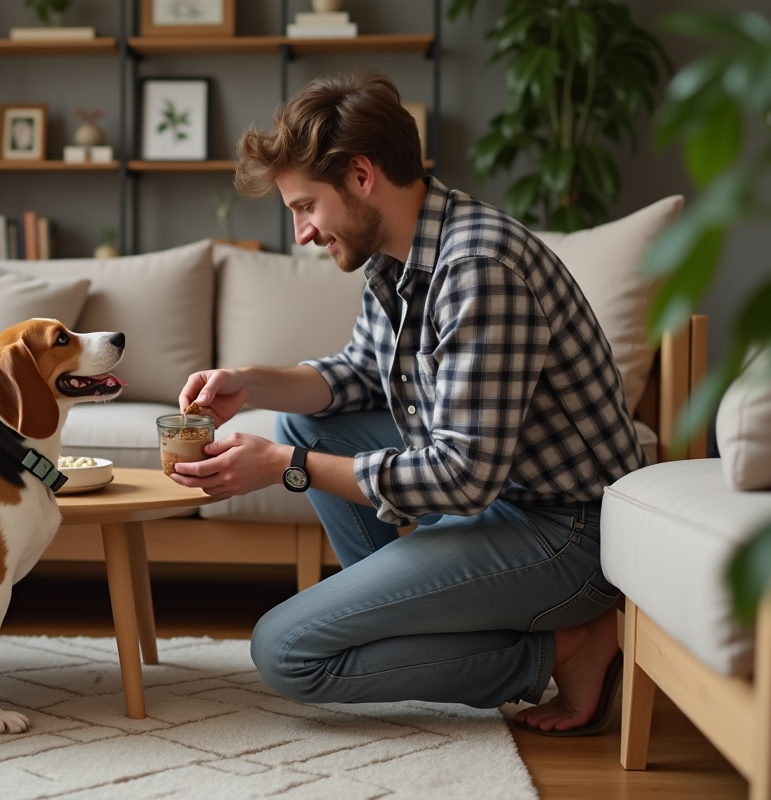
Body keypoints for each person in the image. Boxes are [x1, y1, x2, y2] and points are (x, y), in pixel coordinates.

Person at [169, 72, 647, 736]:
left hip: (569, 535)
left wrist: (287, 466)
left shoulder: (478, 267)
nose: (303, 232)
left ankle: (570, 645)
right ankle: (419, 610)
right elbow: (358, 375)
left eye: (306, 206)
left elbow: (460, 476)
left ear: (362, 176)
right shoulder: (397, 257)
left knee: (286, 653)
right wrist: (251, 383)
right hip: (508, 504)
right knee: (305, 419)